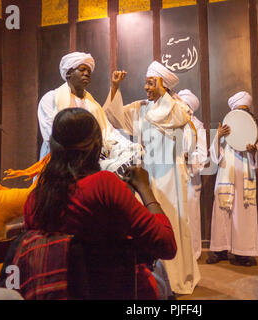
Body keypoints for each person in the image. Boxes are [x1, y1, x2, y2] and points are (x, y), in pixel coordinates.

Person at [23, 108, 177, 299]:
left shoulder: (34, 200)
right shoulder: (104, 186)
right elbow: (166, 244)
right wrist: (144, 188)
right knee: (159, 271)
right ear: (97, 145)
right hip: (114, 291)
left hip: (62, 291)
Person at [104, 61, 201, 295]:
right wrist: (115, 88)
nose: (146, 87)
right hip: (148, 174)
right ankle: (152, 275)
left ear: (164, 85)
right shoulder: (141, 108)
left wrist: (161, 97)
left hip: (171, 175)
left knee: (173, 221)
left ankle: (178, 277)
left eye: (151, 82)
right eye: (145, 82)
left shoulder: (179, 108)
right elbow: (115, 117)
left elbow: (172, 117)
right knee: (149, 220)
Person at [37, 51, 141, 174]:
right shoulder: (51, 98)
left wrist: (130, 147)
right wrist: (80, 150)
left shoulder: (93, 106)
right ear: (69, 73)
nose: (86, 74)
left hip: (87, 165)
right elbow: (52, 134)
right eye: (82, 70)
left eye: (89, 72)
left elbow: (108, 133)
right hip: (58, 164)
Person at [207, 92, 258, 266]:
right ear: (233, 112)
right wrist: (218, 136)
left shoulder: (255, 130)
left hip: (245, 177)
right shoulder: (226, 129)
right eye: (239, 110)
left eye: (245, 110)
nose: (243, 114)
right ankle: (219, 250)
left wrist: (253, 151)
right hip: (226, 175)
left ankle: (243, 253)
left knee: (243, 214)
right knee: (222, 212)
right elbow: (214, 156)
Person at [178, 89, 208, 260]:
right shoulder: (171, 122)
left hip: (190, 178)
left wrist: (189, 157)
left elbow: (202, 154)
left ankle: (192, 253)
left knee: (191, 217)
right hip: (172, 176)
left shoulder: (197, 126)